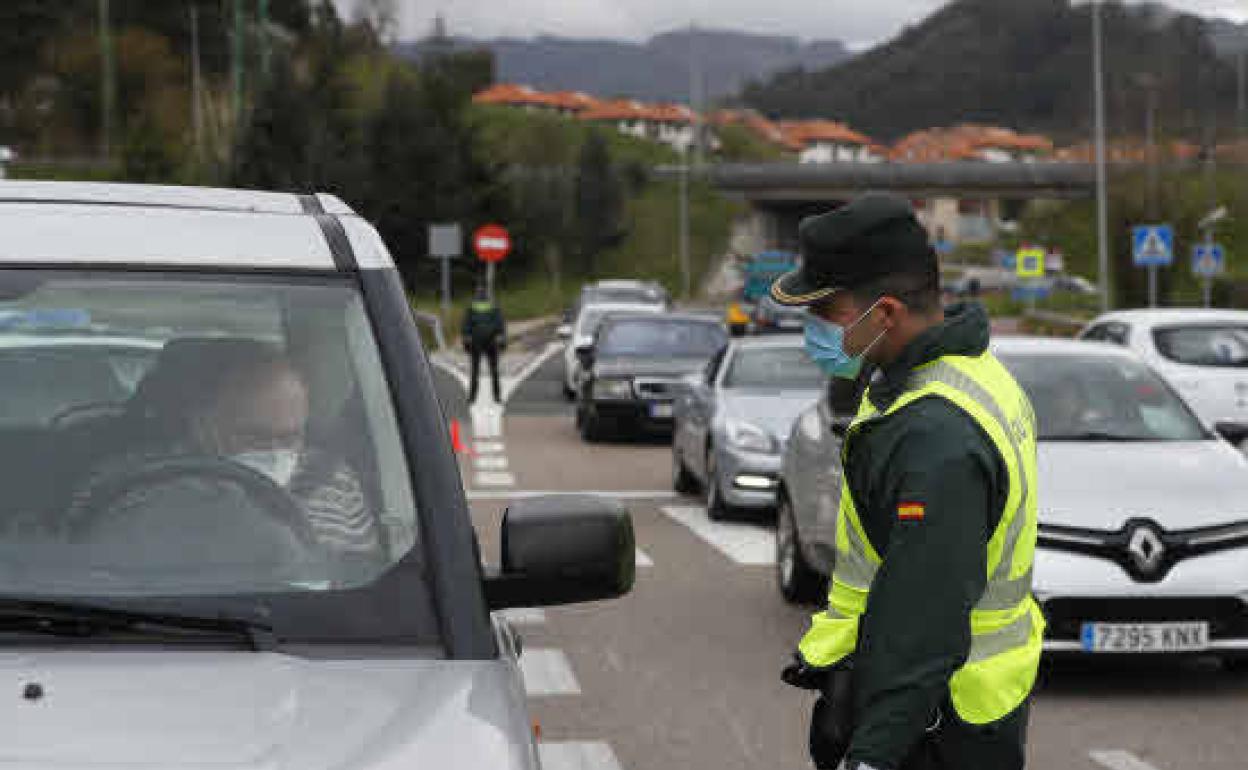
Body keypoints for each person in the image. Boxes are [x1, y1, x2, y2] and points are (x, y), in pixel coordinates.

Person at [770, 193, 1042, 770]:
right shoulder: (959, 374)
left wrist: (871, 756)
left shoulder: (934, 436)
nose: (812, 329)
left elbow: (927, 623)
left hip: (936, 727)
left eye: (826, 313)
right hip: (963, 711)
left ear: (886, 313)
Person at [72, 341, 383, 559]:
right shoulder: (126, 484)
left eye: (291, 437)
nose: (277, 453)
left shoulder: (334, 483)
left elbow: (355, 578)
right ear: (200, 422)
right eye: (256, 437)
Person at [462, 286, 507, 404]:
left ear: (476, 295)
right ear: (487, 295)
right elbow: (500, 323)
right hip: (491, 342)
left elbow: (466, 324)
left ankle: (472, 398)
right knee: (494, 371)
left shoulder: (471, 307)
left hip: (476, 342)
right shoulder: (494, 306)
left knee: (475, 371)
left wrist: (466, 338)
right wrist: (501, 337)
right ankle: (497, 397)